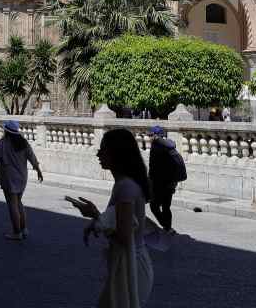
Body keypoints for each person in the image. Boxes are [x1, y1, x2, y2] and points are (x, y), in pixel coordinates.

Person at [69, 128, 154, 308]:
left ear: (116, 153)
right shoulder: (125, 184)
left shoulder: (125, 187)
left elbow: (124, 236)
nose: (98, 153)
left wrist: (96, 217)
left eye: (103, 149)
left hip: (131, 267)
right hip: (132, 263)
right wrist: (97, 220)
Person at [0, 119, 43, 240]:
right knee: (18, 202)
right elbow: (33, 158)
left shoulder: (4, 142)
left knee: (12, 205)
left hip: (9, 177)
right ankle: (23, 229)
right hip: (22, 177)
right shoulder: (23, 142)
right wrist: (39, 171)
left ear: (6, 131)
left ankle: (16, 232)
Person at [146, 126, 185, 233]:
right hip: (171, 182)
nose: (148, 137)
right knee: (166, 206)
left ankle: (167, 227)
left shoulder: (156, 147)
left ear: (155, 135)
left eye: (150, 135)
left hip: (160, 183)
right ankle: (168, 227)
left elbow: (154, 168)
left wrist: (150, 183)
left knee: (154, 206)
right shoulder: (170, 146)